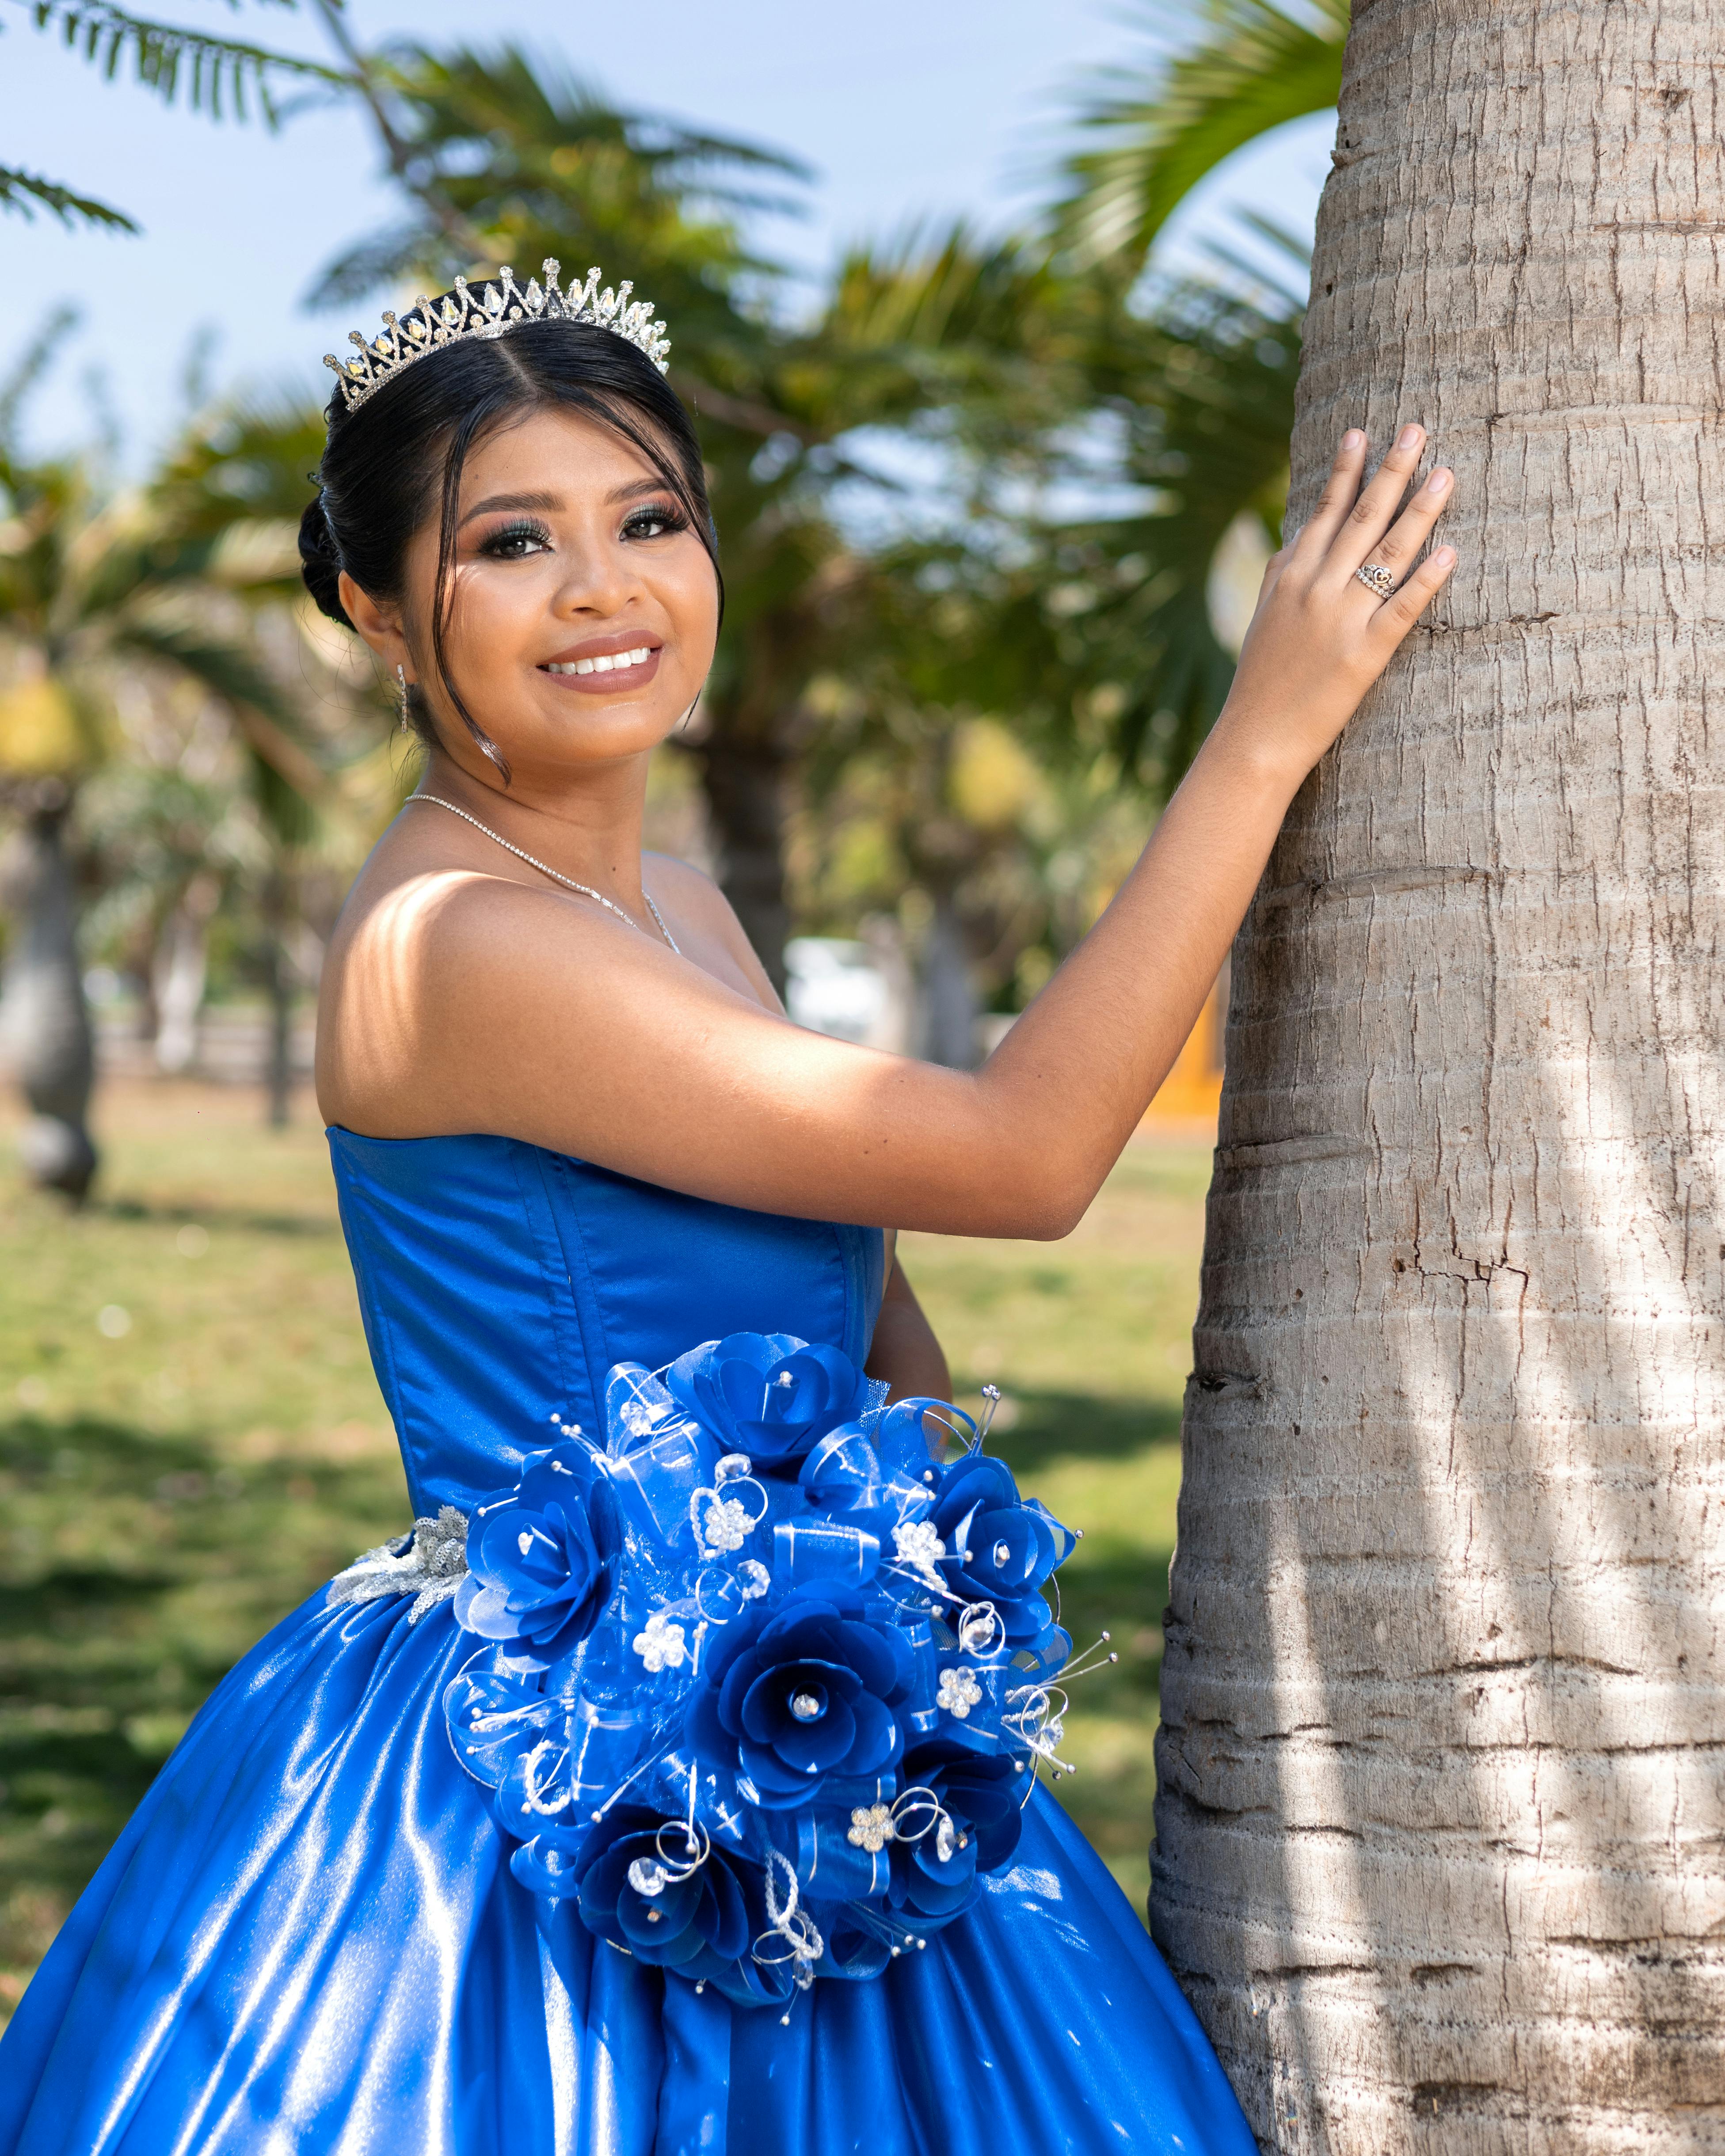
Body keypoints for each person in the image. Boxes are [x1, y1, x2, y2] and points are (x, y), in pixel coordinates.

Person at [0, 259, 1455, 2156]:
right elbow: (1023, 1153)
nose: (603, 587)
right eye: (510, 540)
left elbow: (867, 1292)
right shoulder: (461, 942)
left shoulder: (677, 900)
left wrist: (919, 1620)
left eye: (649, 518)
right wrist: (1263, 729)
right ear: (372, 606)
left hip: (808, 1711)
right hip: (557, 1780)